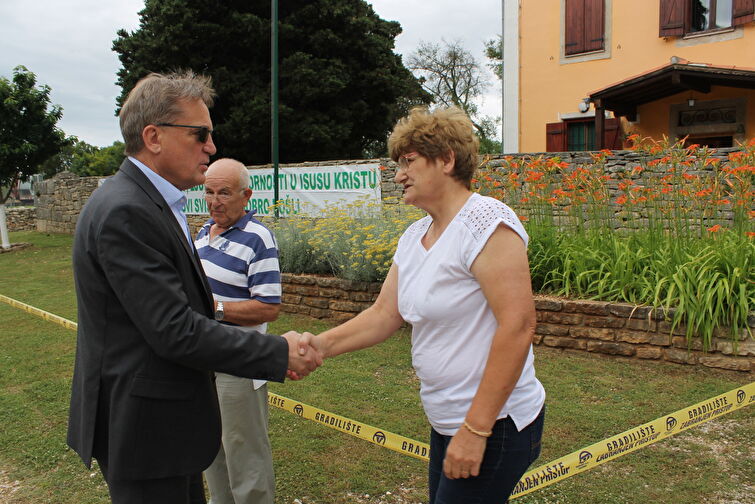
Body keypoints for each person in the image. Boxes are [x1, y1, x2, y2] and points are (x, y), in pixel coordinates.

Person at [67, 71, 321, 504]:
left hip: (161, 425)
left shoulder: (144, 203)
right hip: (146, 430)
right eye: (200, 134)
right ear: (154, 137)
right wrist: (279, 353)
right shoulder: (127, 211)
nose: (211, 146)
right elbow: (175, 330)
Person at [300, 106, 546, 503]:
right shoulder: (416, 235)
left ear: (447, 160)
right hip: (448, 419)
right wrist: (320, 345)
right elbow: (384, 314)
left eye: (409, 162)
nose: (399, 175)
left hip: (495, 424)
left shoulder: (487, 222)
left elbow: (518, 326)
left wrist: (476, 430)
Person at [194, 158, 280, 504]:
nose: (215, 201)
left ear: (246, 196)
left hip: (238, 362)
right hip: (203, 357)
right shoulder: (201, 233)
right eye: (209, 192)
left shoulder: (258, 238)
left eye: (224, 193)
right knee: (210, 445)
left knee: (245, 452)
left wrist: (214, 309)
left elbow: (268, 306)